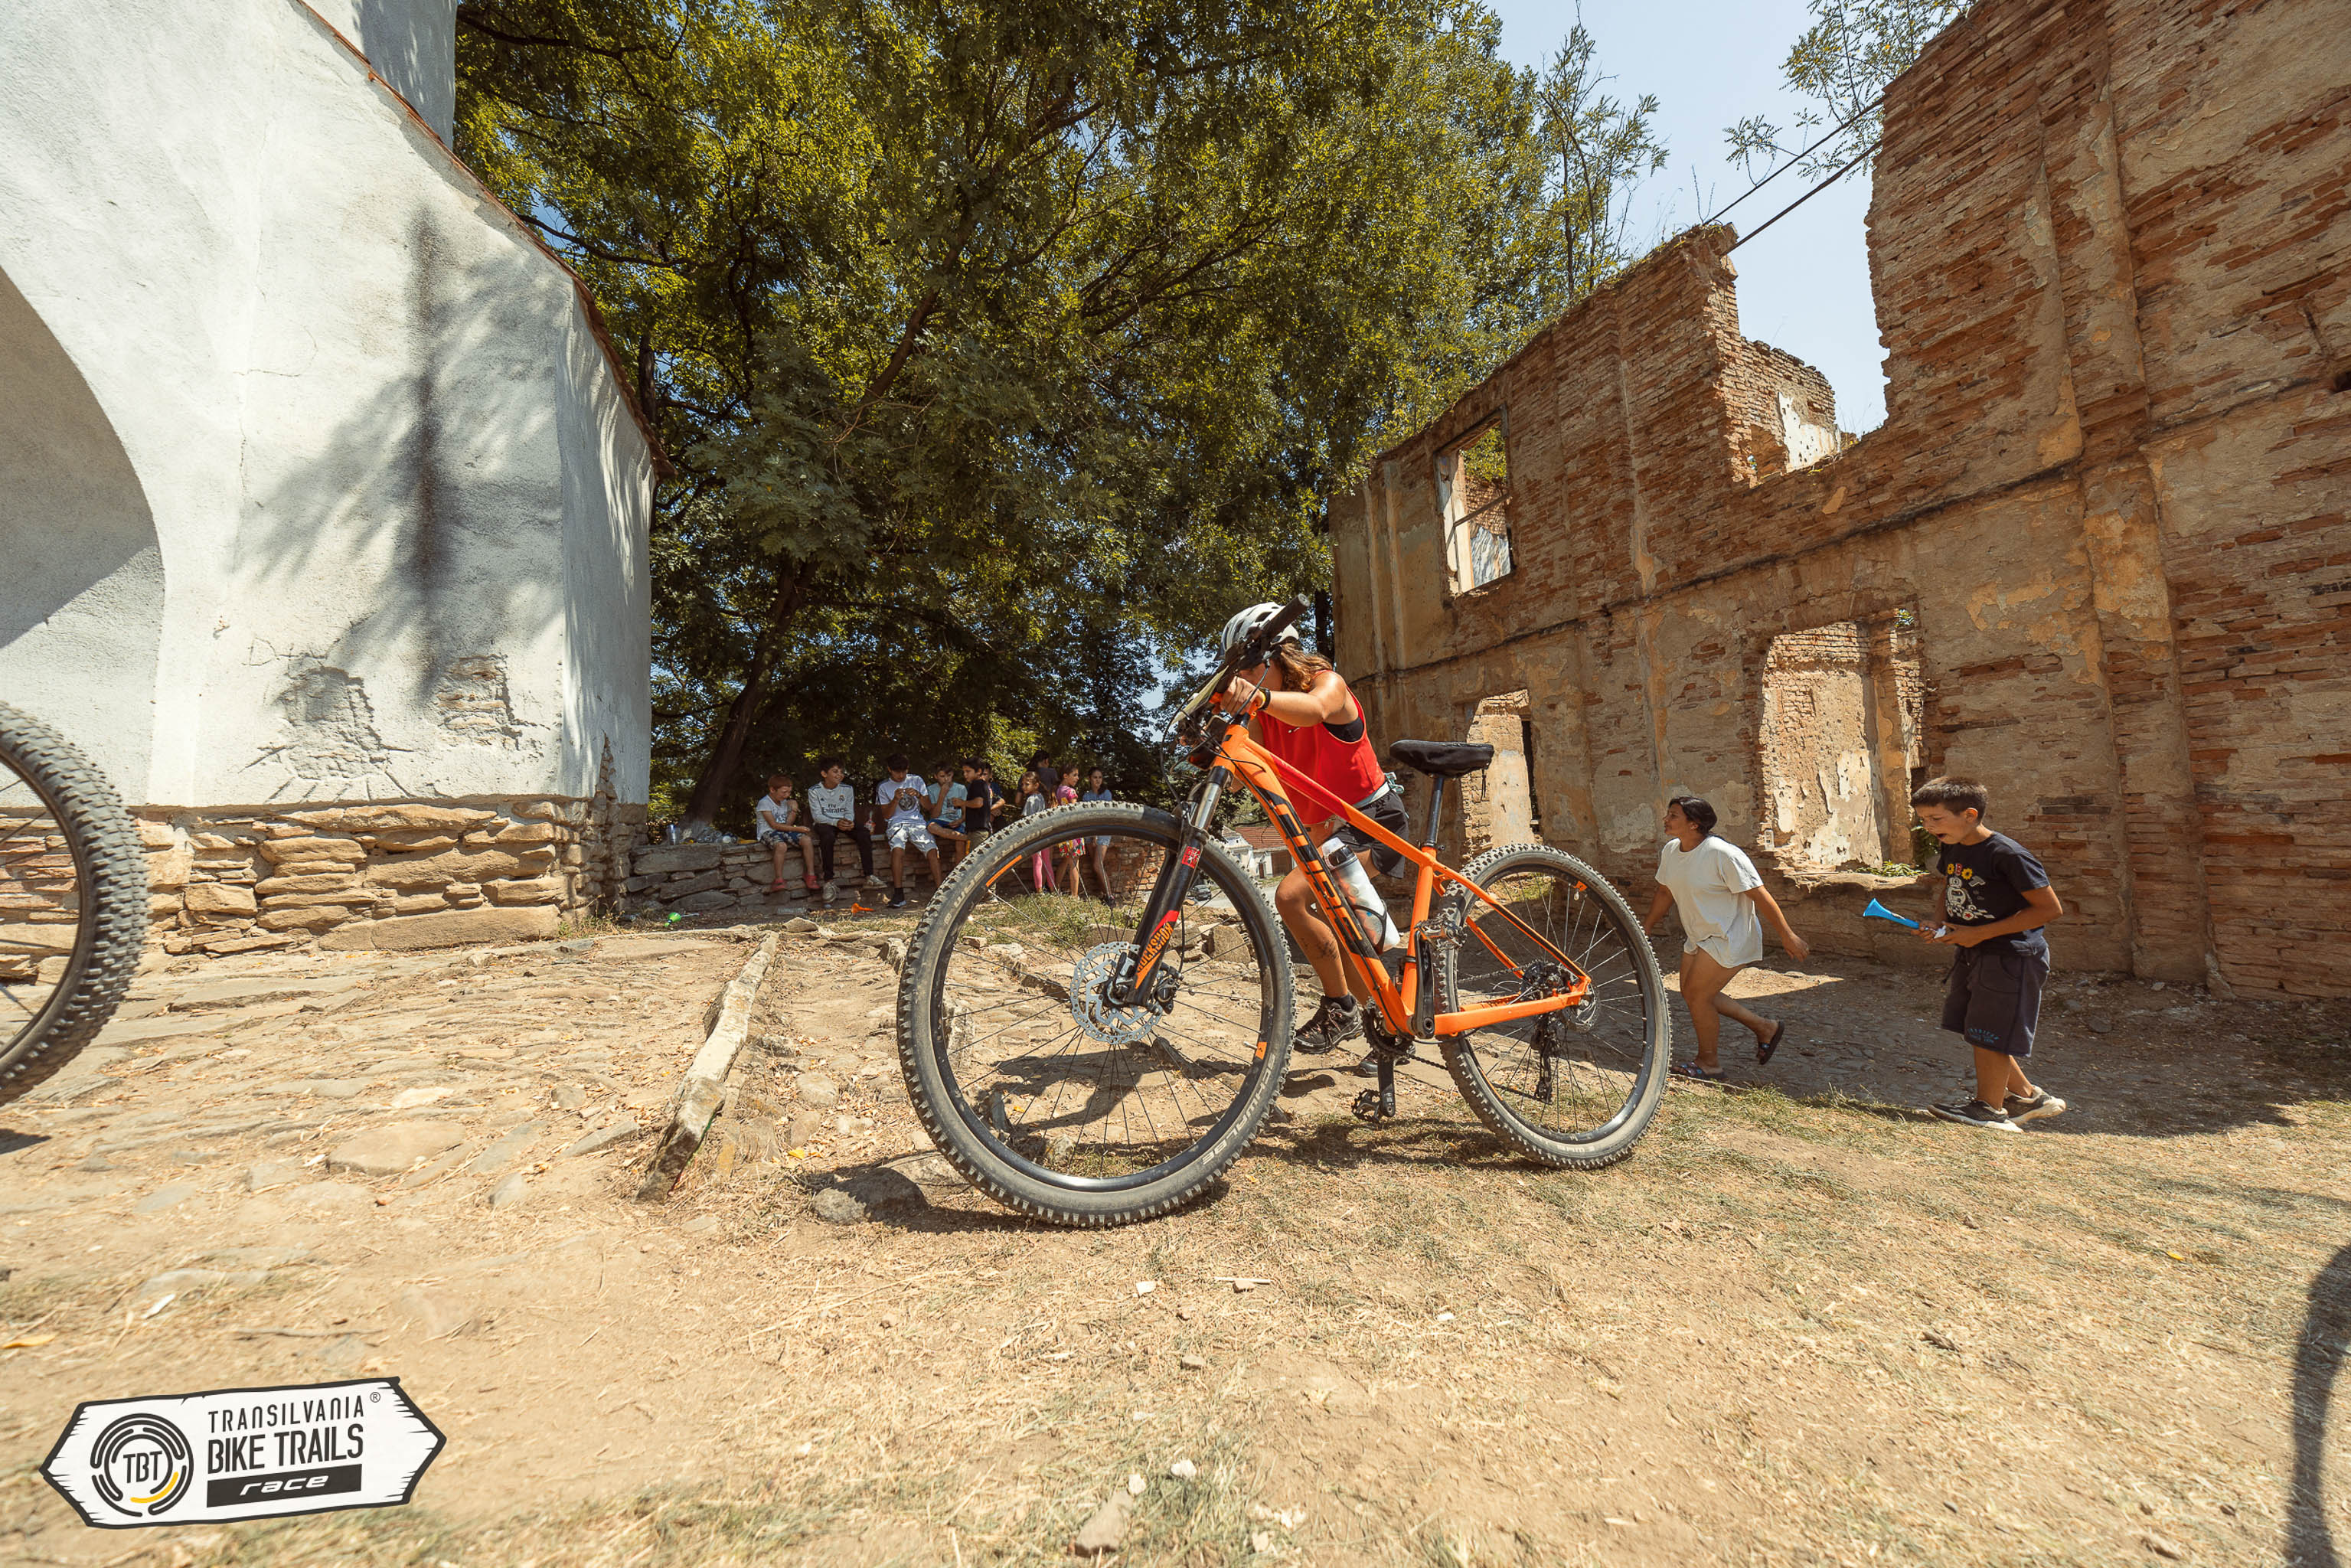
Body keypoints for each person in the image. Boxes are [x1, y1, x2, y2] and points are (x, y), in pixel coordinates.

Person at [1213, 601, 1411, 1074]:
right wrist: (1210, 744)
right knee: (1332, 920)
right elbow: (1240, 775)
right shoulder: (1266, 714)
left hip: (1371, 821)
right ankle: (1382, 1019)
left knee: (1298, 898)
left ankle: (1348, 1007)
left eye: (1249, 666)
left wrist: (1258, 699)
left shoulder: (1328, 684)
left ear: (1278, 656)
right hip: (1326, 833)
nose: (1245, 678)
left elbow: (1316, 711)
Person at [1911, 776, 2068, 1130]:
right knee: (1977, 1027)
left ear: (1970, 814)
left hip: (2011, 957)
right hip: (1975, 952)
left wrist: (1978, 933)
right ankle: (2027, 1097)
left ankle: (1990, 1110)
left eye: (1936, 819)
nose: (1928, 827)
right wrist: (1939, 923)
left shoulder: (2008, 855)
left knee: (1991, 1032)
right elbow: (1950, 886)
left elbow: (2049, 909)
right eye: (1923, 820)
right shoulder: (1953, 846)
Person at [1641, 795, 1808, 1081]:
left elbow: (1759, 895)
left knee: (1698, 996)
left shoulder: (1722, 854)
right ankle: (1764, 1027)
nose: (1666, 820)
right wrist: (1645, 927)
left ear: (1694, 824)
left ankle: (1709, 1063)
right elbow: (1665, 892)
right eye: (1668, 814)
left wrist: (1787, 935)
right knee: (1694, 995)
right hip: (1699, 935)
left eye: (1673, 815)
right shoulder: (1671, 851)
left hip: (1730, 935)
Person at [876, 753, 942, 909]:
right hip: (896, 823)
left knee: (932, 850)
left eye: (904, 771)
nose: (901, 775)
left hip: (917, 822)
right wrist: (895, 799)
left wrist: (918, 795)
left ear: (908, 769)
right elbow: (886, 815)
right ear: (889, 770)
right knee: (897, 850)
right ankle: (899, 894)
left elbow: (929, 807)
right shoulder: (884, 787)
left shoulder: (917, 780)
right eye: (897, 772)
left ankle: (941, 891)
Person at [805, 756, 875, 900]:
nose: (840, 775)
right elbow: (817, 816)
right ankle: (829, 882)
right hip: (825, 823)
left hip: (843, 821)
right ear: (824, 774)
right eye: (835, 771)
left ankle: (870, 876)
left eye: (841, 772)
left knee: (863, 833)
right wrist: (836, 822)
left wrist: (849, 822)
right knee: (828, 837)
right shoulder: (814, 790)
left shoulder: (847, 789)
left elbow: (849, 810)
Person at [754, 774, 819, 894]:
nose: (787, 795)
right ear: (772, 790)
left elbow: (787, 824)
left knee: (806, 840)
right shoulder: (764, 803)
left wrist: (793, 810)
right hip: (767, 832)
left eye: (789, 792)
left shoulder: (784, 802)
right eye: (784, 792)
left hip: (783, 830)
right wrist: (797, 829)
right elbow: (774, 825)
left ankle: (810, 875)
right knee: (781, 846)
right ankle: (778, 880)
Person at [1014, 769, 1056, 893]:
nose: (1023, 787)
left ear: (1036, 785)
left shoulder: (1031, 800)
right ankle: (1053, 889)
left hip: (1035, 835)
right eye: (1022, 784)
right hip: (1045, 833)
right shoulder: (1041, 797)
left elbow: (1027, 820)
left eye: (1027, 784)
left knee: (1037, 862)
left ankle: (1039, 890)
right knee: (1047, 862)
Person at [925, 762, 969, 870]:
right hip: (941, 820)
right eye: (942, 776)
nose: (946, 779)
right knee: (931, 826)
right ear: (936, 776)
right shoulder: (931, 789)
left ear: (952, 774)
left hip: (957, 821)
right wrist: (942, 795)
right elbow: (934, 815)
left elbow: (966, 812)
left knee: (960, 844)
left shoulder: (961, 788)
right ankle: (967, 838)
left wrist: (960, 821)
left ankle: (958, 873)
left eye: (949, 776)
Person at [1079, 767, 1115, 899]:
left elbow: (1105, 815)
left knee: (1097, 865)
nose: (1098, 780)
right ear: (1090, 779)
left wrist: (1096, 834)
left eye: (1100, 777)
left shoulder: (1106, 794)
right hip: (1089, 832)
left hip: (1103, 831)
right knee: (1095, 867)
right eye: (1095, 777)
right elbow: (1086, 816)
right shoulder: (1087, 796)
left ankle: (1110, 897)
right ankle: (1104, 895)